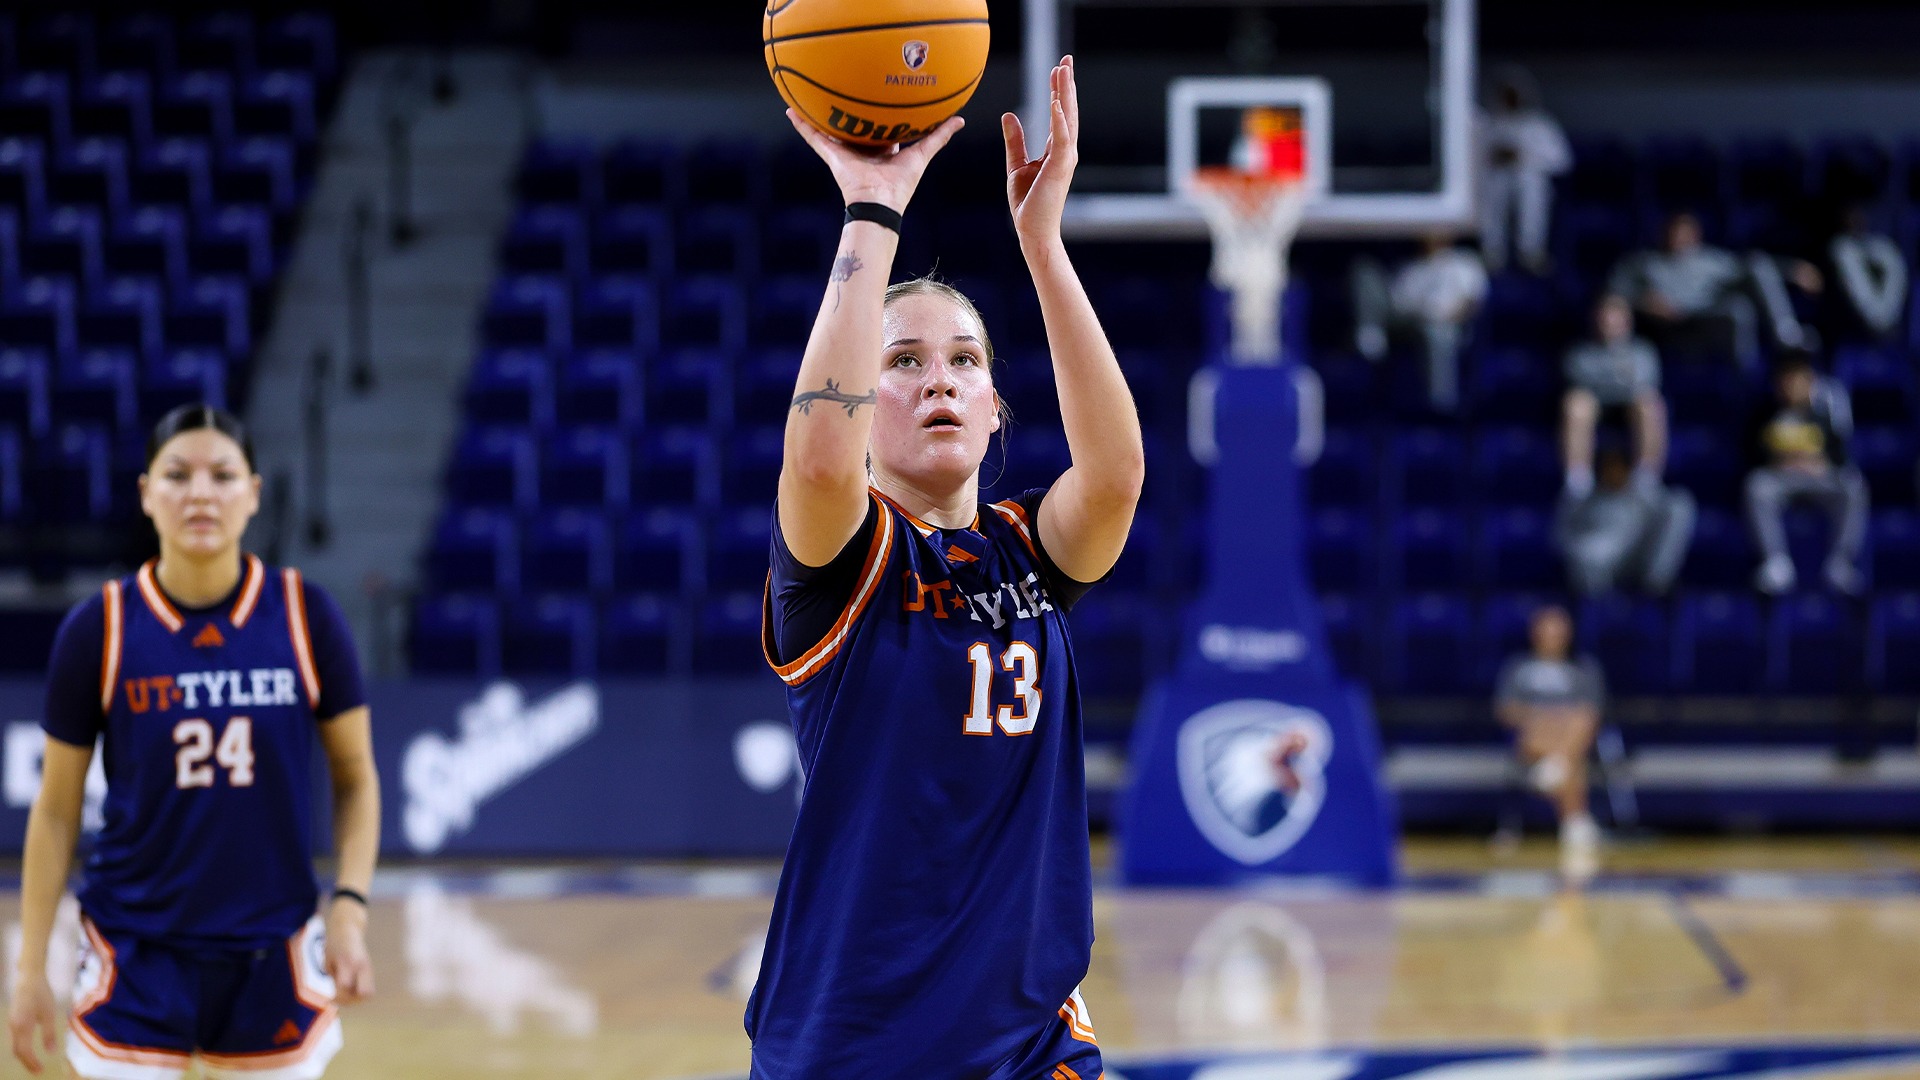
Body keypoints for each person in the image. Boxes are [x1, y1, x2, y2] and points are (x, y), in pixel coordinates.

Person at [751, 56, 1143, 1079]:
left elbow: (1114, 480)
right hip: (849, 1040)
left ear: (996, 408)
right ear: (864, 404)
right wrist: (872, 210)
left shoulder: (1029, 551)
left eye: (966, 361)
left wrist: (1044, 248)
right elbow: (817, 457)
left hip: (1028, 1041)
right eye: (905, 362)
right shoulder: (843, 563)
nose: (941, 381)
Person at [8, 405, 380, 1080]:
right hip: (134, 952)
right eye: (177, 476)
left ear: (254, 493)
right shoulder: (100, 628)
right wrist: (29, 966)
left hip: (273, 951)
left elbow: (355, 777)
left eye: (222, 475)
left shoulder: (305, 615)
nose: (201, 493)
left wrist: (350, 909)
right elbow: (57, 809)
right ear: (147, 493)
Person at [1494, 605, 1605, 884]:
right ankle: (1575, 821)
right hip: (1531, 738)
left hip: (1571, 736)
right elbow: (1505, 711)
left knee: (1578, 722)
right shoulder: (1518, 668)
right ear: (1535, 633)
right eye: (1548, 629)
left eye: (1559, 629)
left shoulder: (1584, 669)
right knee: (1555, 729)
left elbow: (1592, 715)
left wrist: (1561, 723)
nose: (1553, 635)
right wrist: (1545, 716)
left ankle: (1556, 768)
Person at [1744, 351, 1868, 595]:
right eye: (1786, 380)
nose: (1791, 386)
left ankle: (1840, 563)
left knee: (1853, 486)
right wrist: (1777, 461)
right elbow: (1748, 454)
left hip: (1818, 478)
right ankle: (1776, 562)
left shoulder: (1823, 414)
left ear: (1809, 382)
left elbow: (1842, 455)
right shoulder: (1764, 414)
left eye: (1798, 379)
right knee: (1756, 486)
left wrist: (1820, 463)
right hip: (1779, 478)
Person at [1354, 232, 1488, 412]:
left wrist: (1447, 316)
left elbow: (1473, 301)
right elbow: (1399, 306)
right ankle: (1371, 335)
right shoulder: (1412, 267)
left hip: (1450, 324)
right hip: (1412, 323)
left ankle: (1441, 408)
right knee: (1365, 269)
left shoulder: (1464, 262)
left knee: (1437, 334)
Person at [1608, 211, 1757, 365]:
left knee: (1740, 306)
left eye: (1684, 232)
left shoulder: (1711, 260)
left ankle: (1746, 372)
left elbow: (1747, 272)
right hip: (1666, 323)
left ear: (1695, 235)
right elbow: (1615, 291)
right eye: (1674, 232)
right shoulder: (1646, 262)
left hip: (1704, 315)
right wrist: (1643, 301)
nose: (1678, 237)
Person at [1562, 294, 1667, 497]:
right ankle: (1577, 479)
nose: (1609, 324)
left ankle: (1647, 477)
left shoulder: (1643, 352)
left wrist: (1607, 380)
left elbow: (1647, 382)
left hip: (1629, 408)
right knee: (1576, 403)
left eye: (1615, 318)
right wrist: (1620, 377)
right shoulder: (1581, 352)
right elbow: (1578, 378)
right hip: (1596, 407)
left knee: (1650, 403)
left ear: (1627, 322)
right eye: (1604, 319)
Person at [1556, 446, 1695, 596]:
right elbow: (1560, 537)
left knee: (1680, 504)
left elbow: (1667, 521)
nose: (1614, 471)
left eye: (1618, 465)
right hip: (1600, 568)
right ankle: (1598, 606)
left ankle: (1656, 590)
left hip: (1641, 559)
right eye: (1609, 466)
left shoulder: (1643, 493)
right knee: (1589, 553)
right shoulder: (1582, 497)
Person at [1479, 69, 1570, 275]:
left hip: (1530, 179)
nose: (1510, 99)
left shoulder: (1539, 124)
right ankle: (1492, 252)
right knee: (1492, 185)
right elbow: (1474, 159)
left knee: (1530, 184)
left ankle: (1531, 252)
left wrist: (1522, 156)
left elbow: (1561, 161)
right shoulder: (1489, 124)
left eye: (1514, 93)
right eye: (1505, 93)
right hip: (1495, 180)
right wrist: (1495, 157)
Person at [1824, 204, 1908, 342]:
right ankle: (1877, 320)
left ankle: (1883, 319)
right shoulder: (1840, 248)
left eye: (1859, 216)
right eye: (1851, 216)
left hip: (1888, 319)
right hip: (1852, 326)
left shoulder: (1884, 247)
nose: (1856, 220)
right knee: (1843, 251)